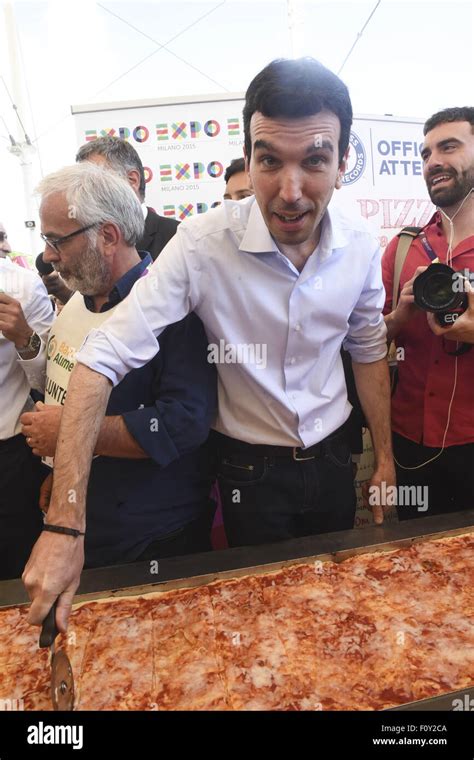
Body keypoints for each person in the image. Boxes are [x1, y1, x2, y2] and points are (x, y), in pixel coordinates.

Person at [23, 57, 394, 631]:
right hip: (247, 474)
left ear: (343, 164)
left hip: (332, 463)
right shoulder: (201, 246)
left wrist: (387, 462)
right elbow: (101, 357)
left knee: (335, 615)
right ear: (249, 156)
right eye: (270, 160)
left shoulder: (362, 248)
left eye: (315, 160)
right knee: (264, 624)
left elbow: (369, 348)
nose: (290, 191)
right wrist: (65, 522)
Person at [20, 162, 217, 568]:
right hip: (88, 525)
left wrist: (72, 431)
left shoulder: (170, 309)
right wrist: (62, 475)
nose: (47, 255)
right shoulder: (78, 298)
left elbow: (184, 422)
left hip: (153, 539)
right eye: (45, 238)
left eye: (57, 240)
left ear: (108, 236)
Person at [382, 106, 474, 520]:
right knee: (415, 571)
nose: (433, 161)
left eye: (449, 147)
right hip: (410, 445)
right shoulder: (402, 248)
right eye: (425, 154)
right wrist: (399, 317)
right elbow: (367, 341)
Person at [0, 252, 53, 579]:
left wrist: (23, 337)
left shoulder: (21, 286)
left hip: (10, 459)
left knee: (19, 569)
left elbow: (52, 377)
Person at [76, 136, 179, 260]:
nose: (88, 192)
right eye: (84, 183)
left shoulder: (177, 237)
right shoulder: (86, 242)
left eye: (97, 181)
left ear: (132, 180)